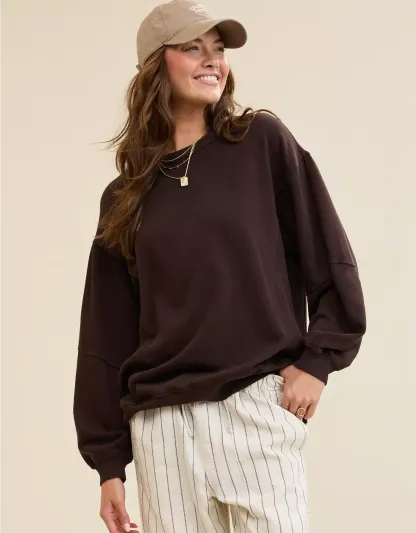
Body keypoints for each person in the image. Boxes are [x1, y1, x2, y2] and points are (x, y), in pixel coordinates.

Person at [73, 1, 366, 532]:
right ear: (155, 65)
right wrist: (108, 465)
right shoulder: (125, 196)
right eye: (193, 48)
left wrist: (318, 359)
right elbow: (105, 332)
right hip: (161, 427)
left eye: (218, 49)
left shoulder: (261, 143)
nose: (212, 61)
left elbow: (328, 251)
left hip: (254, 405)